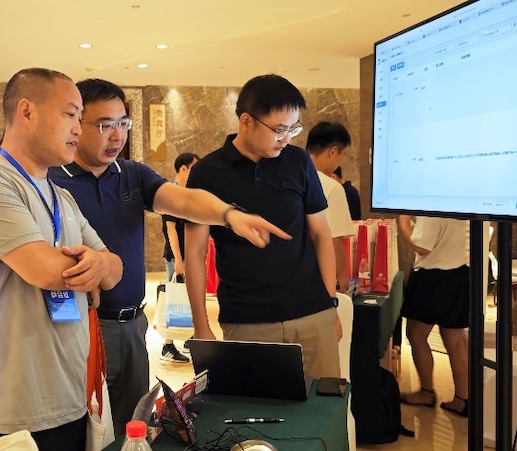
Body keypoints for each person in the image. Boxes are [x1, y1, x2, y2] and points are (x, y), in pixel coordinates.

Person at [48, 78, 289, 435]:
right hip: (79, 327)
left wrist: (228, 214)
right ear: (75, 123)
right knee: (81, 428)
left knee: (132, 427)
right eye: (104, 125)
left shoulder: (132, 174)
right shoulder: (51, 180)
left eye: (123, 123)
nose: (117, 136)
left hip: (133, 325)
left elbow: (184, 200)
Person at [0, 68, 124, 451]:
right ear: (27, 112)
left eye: (81, 118)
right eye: (70, 114)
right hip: (12, 411)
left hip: (73, 398)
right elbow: (44, 270)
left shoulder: (62, 197)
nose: (78, 128)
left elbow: (114, 270)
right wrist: (91, 268)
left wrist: (99, 267)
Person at [184, 74, 342, 379]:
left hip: (312, 313)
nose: (286, 138)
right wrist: (201, 325)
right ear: (246, 121)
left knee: (323, 401)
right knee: (255, 407)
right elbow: (195, 252)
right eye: (279, 130)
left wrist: (330, 304)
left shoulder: (298, 162)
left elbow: (321, 235)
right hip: (247, 320)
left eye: (293, 129)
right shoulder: (206, 173)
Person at [397, 215, 470, 417]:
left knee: (416, 336)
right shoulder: (459, 206)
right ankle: (463, 399)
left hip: (432, 277)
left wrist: (403, 223)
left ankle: (426, 392)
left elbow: (422, 247)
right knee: (455, 342)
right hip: (459, 274)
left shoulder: (430, 210)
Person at [305, 122, 355, 294]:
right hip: (317, 275)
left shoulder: (289, 177)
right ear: (333, 151)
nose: (341, 161)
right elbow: (335, 240)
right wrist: (341, 275)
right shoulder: (333, 188)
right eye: (343, 154)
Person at [159, 152, 200, 363]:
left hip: (189, 256)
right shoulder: (171, 194)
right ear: (183, 169)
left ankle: (188, 338)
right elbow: (171, 230)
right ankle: (167, 346)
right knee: (173, 300)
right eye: (194, 168)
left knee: (189, 298)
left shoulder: (189, 194)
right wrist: (178, 260)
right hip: (177, 257)